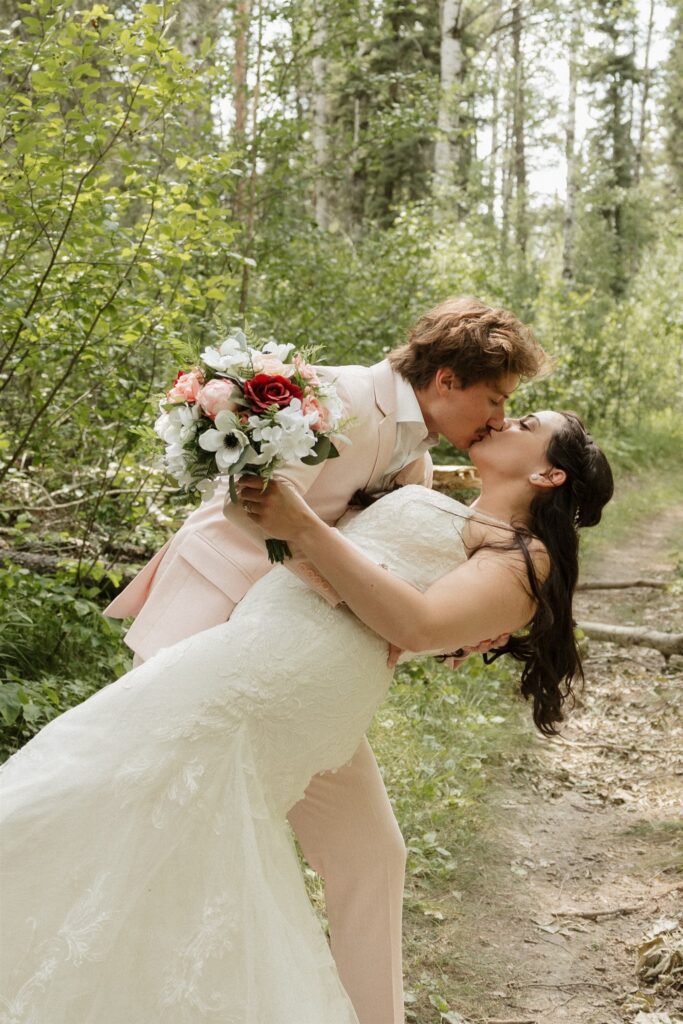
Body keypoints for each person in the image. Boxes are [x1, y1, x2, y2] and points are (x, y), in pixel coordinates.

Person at [0, 407, 613, 1023]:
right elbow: (333, 563)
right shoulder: (428, 484)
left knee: (108, 785)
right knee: (146, 804)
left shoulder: (519, 552)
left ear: (549, 476)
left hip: (289, 675)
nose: (504, 419)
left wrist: (309, 533)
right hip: (268, 637)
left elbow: (419, 624)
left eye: (526, 424)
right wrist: (281, 511)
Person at [101, 296, 548, 1024]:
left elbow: (395, 561)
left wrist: (464, 627)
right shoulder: (333, 400)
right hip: (213, 625)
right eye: (494, 399)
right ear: (444, 379)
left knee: (373, 855)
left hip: (304, 676)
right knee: (163, 838)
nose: (497, 418)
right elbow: (266, 517)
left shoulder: (415, 453)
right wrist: (385, 618)